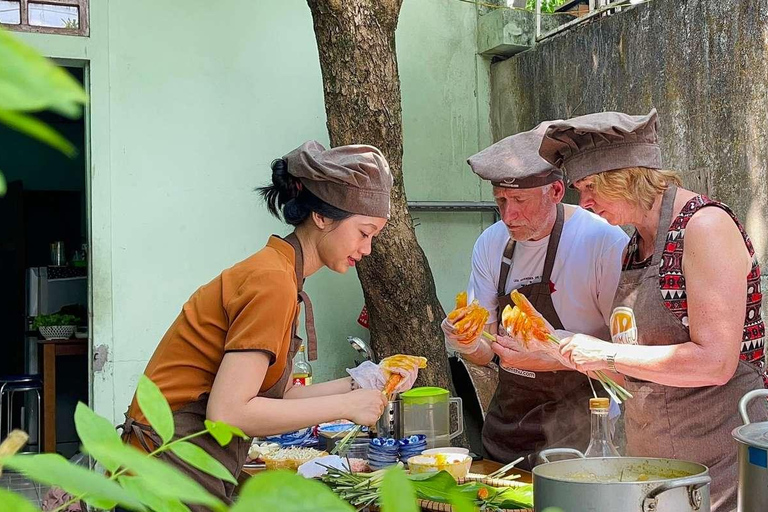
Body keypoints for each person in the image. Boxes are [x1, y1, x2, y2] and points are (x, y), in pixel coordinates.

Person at [118, 141, 421, 509]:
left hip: (177, 468)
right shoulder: (272, 282)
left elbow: (275, 398)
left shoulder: (279, 272)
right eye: (363, 232)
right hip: (167, 472)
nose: (368, 248)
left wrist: (362, 380)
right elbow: (229, 412)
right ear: (322, 217)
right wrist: (347, 405)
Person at [538, 108, 768, 512]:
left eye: (591, 186)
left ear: (628, 175)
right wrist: (555, 349)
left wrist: (602, 351)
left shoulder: (704, 226)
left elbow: (715, 362)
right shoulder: (634, 247)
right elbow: (635, 368)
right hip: (659, 468)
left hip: (722, 468)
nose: (584, 203)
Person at [441, 123, 629, 470]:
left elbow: (627, 360)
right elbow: (487, 355)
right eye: (501, 201)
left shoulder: (601, 241)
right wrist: (466, 342)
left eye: (520, 201)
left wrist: (554, 355)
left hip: (583, 429)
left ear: (556, 191)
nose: (508, 216)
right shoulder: (491, 244)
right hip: (509, 426)